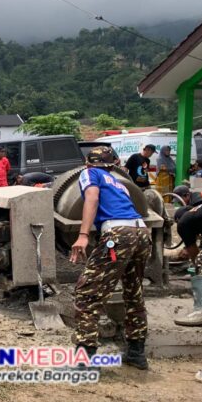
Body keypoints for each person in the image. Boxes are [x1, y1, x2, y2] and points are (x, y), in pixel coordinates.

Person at [70, 146, 152, 370]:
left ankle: (84, 361)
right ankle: (137, 353)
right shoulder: (118, 182)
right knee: (134, 292)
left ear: (88, 163)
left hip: (118, 235)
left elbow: (92, 198)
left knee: (87, 294)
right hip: (142, 232)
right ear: (112, 164)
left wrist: (83, 234)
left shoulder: (90, 173)